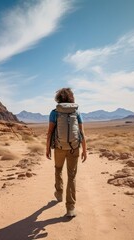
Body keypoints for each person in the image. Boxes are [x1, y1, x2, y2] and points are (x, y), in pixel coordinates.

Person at [45, 88, 87, 218]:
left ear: (58, 98)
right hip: (74, 148)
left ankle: (59, 193)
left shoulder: (54, 112)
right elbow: (81, 133)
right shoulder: (76, 112)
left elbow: (50, 132)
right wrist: (85, 149)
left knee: (58, 169)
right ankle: (70, 208)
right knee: (72, 176)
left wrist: (47, 148)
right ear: (71, 98)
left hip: (59, 148)